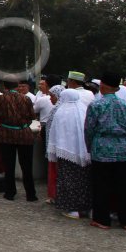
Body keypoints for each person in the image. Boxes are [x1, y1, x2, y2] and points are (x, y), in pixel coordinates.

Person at [84, 73, 126, 231]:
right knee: (123, 186)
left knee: (101, 185)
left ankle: (102, 219)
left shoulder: (96, 105)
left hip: (102, 149)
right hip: (122, 149)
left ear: (103, 86)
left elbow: (89, 129)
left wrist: (89, 146)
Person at [48, 88, 91, 218]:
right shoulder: (84, 109)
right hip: (84, 152)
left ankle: (71, 209)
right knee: (84, 180)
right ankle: (86, 208)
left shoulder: (61, 112)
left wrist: (54, 150)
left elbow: (55, 133)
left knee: (68, 180)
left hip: (66, 152)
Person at [0, 77, 37, 201]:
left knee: (8, 165)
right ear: (17, 86)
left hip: (6, 135)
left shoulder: (0, 99)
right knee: (27, 166)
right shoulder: (26, 98)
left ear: (5, 86)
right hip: (24, 134)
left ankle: (10, 192)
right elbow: (32, 116)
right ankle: (31, 194)